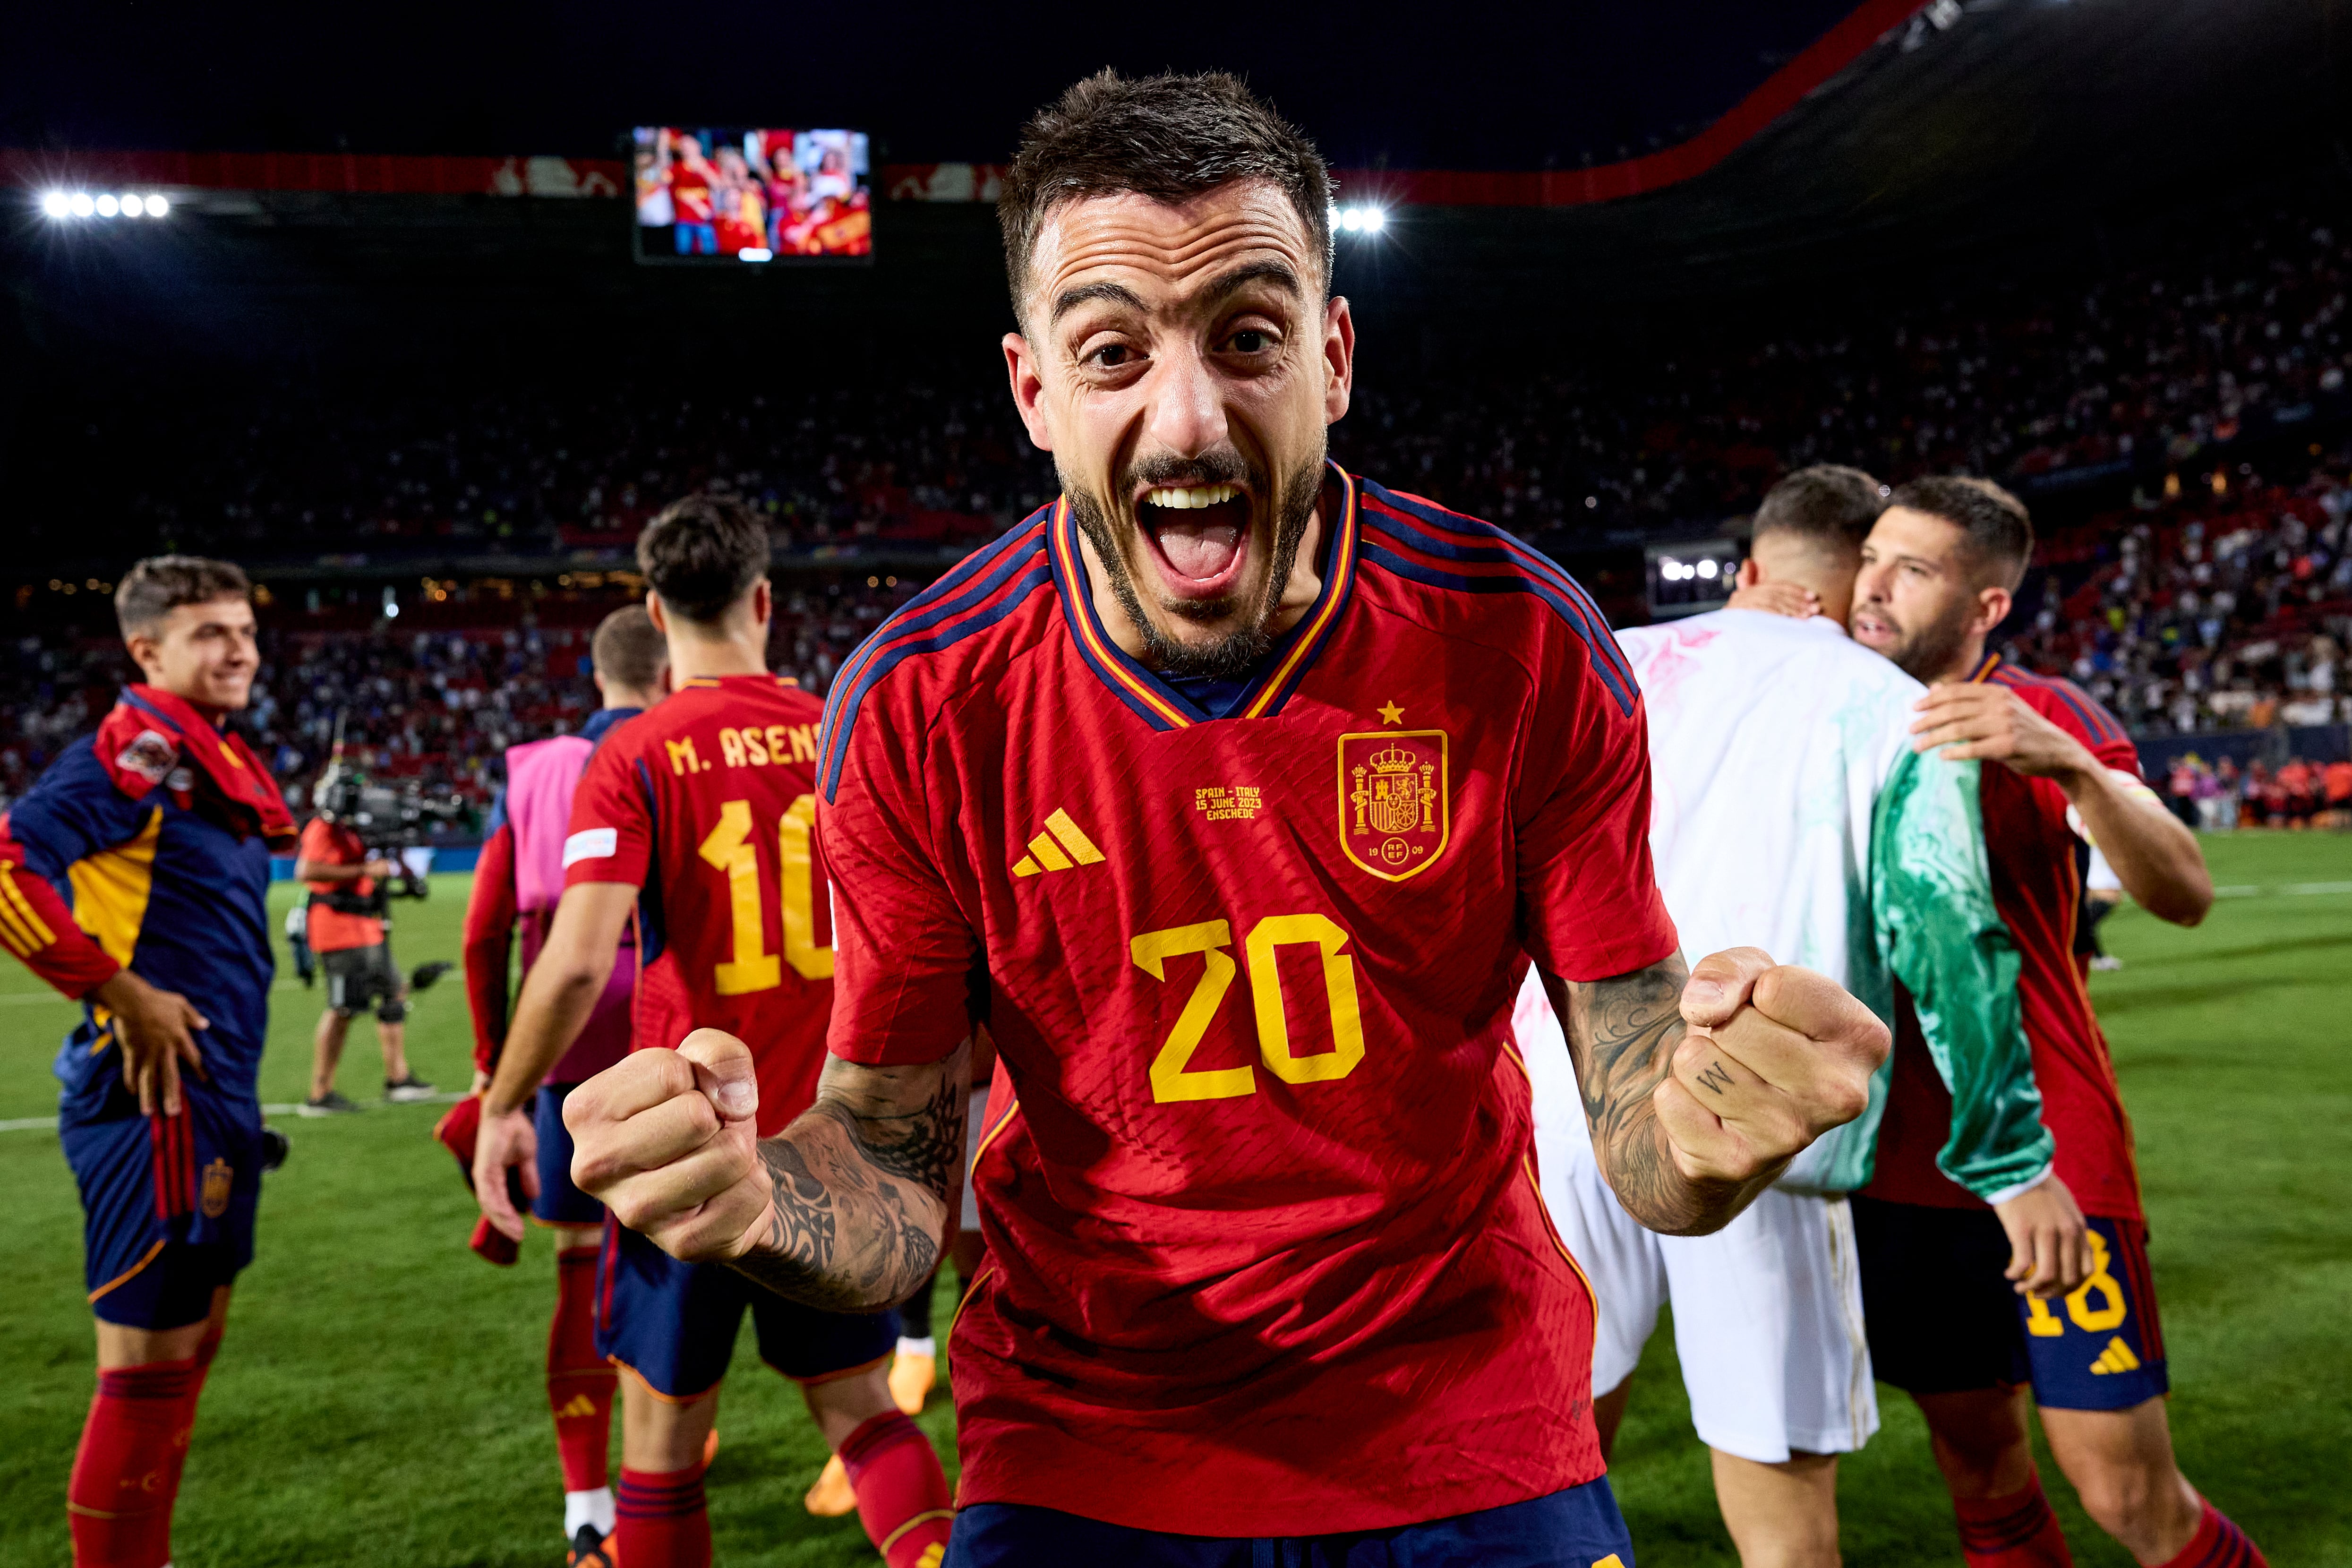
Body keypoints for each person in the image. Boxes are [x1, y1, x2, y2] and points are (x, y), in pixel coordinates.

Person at [563, 70, 1890, 1568]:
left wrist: (1718, 1128)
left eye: (1247, 337)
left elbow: (1641, 1121)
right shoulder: (929, 699)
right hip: (1085, 1446)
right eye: (1114, 351)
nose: (1187, 418)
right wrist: (757, 1199)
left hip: (1469, 1415)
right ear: (1034, 392)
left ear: (1332, 357)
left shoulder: (1520, 640)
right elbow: (889, 1169)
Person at [1522, 465, 2088, 1568]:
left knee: (1550, 1458)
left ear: (1750, 570)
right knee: (1780, 1505)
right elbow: (1950, 937)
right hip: (1760, 1119)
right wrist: (2013, 1166)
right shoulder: (1889, 703)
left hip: (1567, 1102)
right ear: (1855, 580)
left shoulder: (1604, 656)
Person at [472, 496, 955, 1568]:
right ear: (764, 601)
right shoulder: (843, 728)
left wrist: (504, 1104)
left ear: (655, 609)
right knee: (866, 1412)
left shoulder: (637, 750)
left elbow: (579, 958)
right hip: (830, 1142)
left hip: (687, 1140)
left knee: (663, 1447)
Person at [1841, 478, 2262, 1568]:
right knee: (1979, 1467)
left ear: (1986, 607)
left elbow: (2183, 891)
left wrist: (2071, 766)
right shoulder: (1825, 707)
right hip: (1889, 1164)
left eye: (1912, 570)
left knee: (2126, 1493)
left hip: (2052, 1150)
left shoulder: (2047, 711)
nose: (1871, 586)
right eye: (1871, 557)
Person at [0, 556, 294, 1568]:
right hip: (149, 1100)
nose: (241, 648)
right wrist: (115, 990)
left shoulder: (195, 763)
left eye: (246, 629)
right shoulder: (134, 753)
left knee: (189, 1342)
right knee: (146, 1360)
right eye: (211, 632)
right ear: (146, 651)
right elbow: (5, 863)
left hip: (210, 1097)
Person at [454, 604, 668, 1568]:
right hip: (686, 1042)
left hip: (568, 1054)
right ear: (666, 674)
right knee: (679, 1273)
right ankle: (667, 1455)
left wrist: (494, 1063)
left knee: (581, 1270)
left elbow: (482, 930)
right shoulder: (690, 743)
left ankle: (588, 1508)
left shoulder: (534, 768)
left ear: (595, 677)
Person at [294, 768, 435, 1113]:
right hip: (338, 930)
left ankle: (398, 1078)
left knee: (393, 992)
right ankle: (320, 1092)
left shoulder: (355, 830)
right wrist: (363, 872)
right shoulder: (323, 829)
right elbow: (307, 871)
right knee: (343, 1009)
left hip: (366, 927)